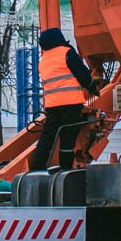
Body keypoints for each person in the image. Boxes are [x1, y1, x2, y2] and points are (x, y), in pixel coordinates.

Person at [30, 27, 97, 170]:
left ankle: (36, 167)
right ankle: (66, 170)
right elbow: (82, 74)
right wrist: (93, 87)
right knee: (67, 139)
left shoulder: (43, 60)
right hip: (71, 104)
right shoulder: (67, 53)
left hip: (52, 106)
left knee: (47, 137)